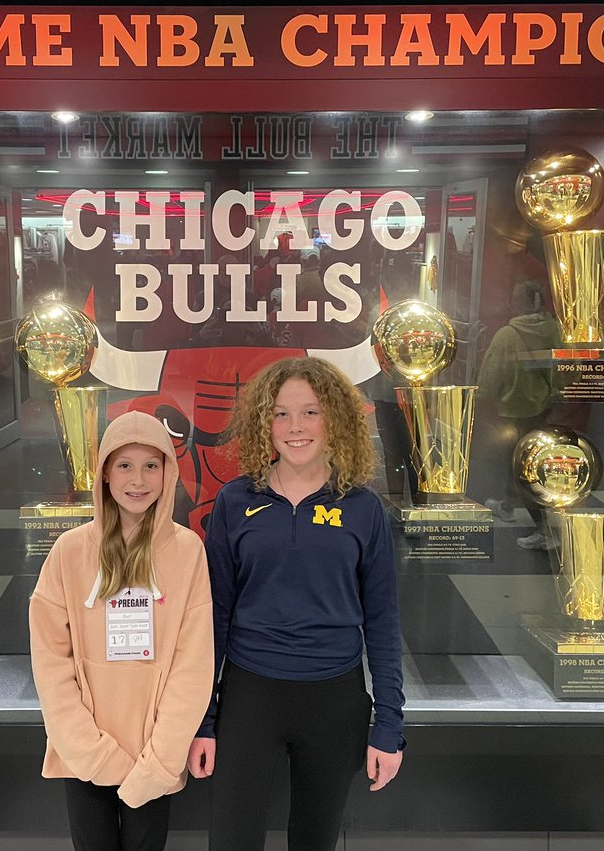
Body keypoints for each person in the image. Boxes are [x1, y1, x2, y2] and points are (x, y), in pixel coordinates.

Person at [188, 357, 404, 851]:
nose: (295, 427)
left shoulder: (363, 508)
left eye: (310, 412)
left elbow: (384, 622)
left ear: (336, 420)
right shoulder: (237, 501)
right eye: (281, 414)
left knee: (314, 839)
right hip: (249, 697)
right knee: (232, 841)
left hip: (335, 700)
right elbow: (214, 617)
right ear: (264, 423)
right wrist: (203, 720)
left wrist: (389, 723)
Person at [30, 411, 214, 851]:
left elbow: (193, 667)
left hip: (154, 757)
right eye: (125, 465)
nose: (138, 479)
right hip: (83, 756)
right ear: (105, 475)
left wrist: (159, 760)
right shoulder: (69, 552)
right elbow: (52, 665)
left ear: (169, 472)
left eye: (151, 465)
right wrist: (93, 754)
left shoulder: (188, 552)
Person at [473, 279, 561, 549]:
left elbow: (489, 378)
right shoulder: (555, 330)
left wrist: (476, 399)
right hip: (543, 409)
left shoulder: (506, 336)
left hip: (512, 413)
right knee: (526, 462)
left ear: (520, 302)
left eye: (514, 296)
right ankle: (508, 504)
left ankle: (545, 531)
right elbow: (567, 372)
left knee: (522, 468)